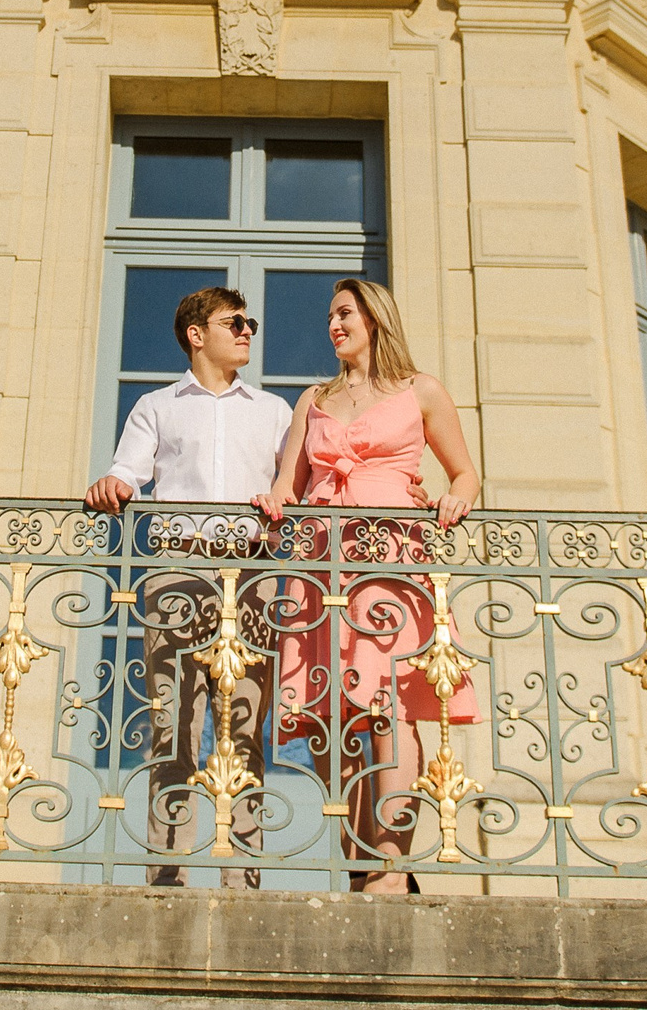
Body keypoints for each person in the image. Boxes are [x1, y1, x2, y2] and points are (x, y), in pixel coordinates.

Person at [252, 278, 480, 894]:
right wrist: (272, 502)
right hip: (322, 564)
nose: (334, 324)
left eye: (345, 313)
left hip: (389, 561)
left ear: (375, 318)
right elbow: (288, 484)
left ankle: (391, 862)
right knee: (333, 714)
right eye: (330, 315)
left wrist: (453, 503)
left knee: (386, 708)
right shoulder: (313, 400)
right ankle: (359, 860)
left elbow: (464, 473)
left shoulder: (421, 390)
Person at [85, 285, 293, 888]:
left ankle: (243, 879)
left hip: (251, 572)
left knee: (245, 729)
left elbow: (293, 490)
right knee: (172, 725)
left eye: (249, 321)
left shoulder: (275, 412)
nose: (248, 330)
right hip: (178, 568)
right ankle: (166, 877)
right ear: (196, 335)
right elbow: (129, 471)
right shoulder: (156, 406)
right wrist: (112, 486)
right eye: (234, 322)